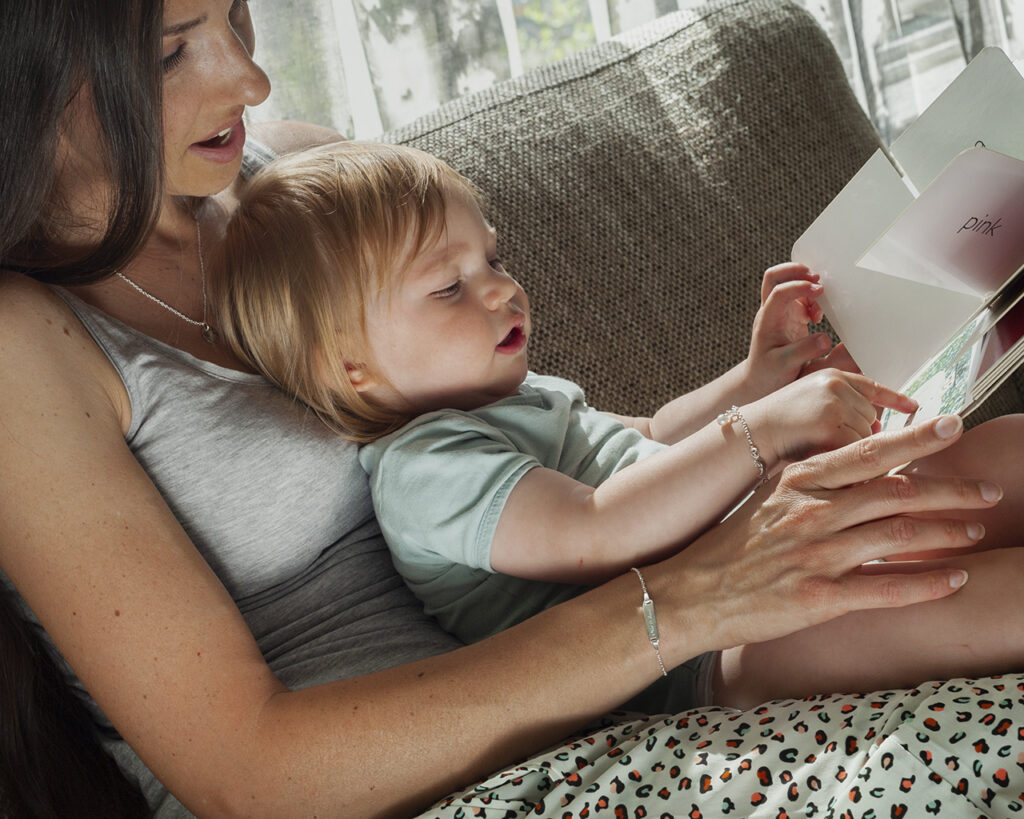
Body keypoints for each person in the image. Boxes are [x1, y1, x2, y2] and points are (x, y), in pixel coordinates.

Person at [1, 2, 1020, 817]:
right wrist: (702, 588)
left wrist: (757, 403)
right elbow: (250, 777)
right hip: (496, 752)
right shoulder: (27, 342)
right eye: (176, 50)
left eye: (236, 15)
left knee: (989, 466)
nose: (252, 81)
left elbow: (581, 445)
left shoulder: (294, 185)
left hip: (632, 640)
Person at [214, 139, 1024, 713]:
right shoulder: (423, 467)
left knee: (1003, 453)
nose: (501, 290)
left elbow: (650, 439)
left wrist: (755, 376)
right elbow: (597, 527)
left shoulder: (513, 398)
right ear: (351, 365)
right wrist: (762, 430)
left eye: (491, 262)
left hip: (769, 548)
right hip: (717, 653)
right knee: (961, 601)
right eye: (448, 289)